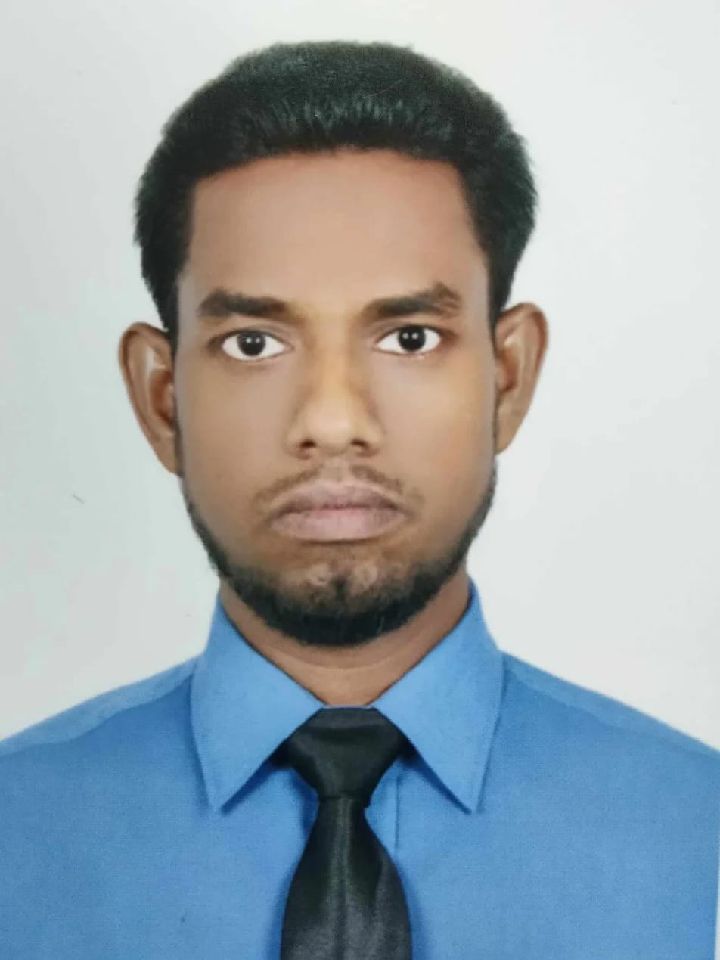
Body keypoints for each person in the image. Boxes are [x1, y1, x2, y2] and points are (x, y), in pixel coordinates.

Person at [1, 39, 718, 959]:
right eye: (254, 343)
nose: (334, 422)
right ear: (161, 398)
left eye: (410, 336)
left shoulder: (700, 832)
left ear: (508, 377)